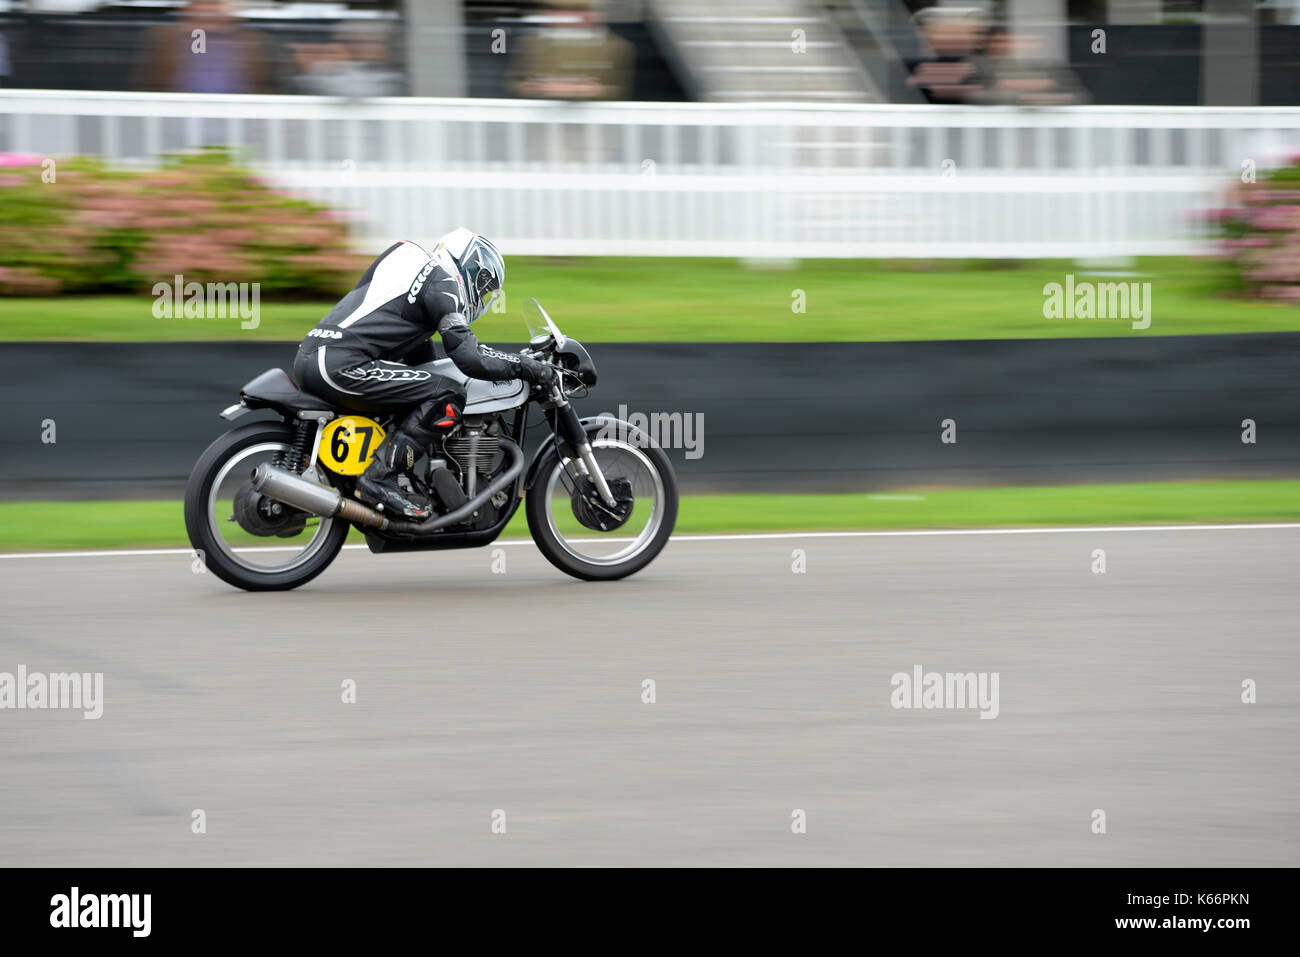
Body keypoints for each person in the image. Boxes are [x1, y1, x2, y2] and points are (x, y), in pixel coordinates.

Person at [293, 230, 556, 520]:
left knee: (434, 388)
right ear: (470, 268)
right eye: (483, 288)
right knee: (448, 394)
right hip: (341, 366)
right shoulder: (443, 284)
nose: (481, 296)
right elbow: (469, 357)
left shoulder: (406, 257)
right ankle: (379, 478)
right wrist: (523, 365)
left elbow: (409, 339)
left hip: (314, 355)